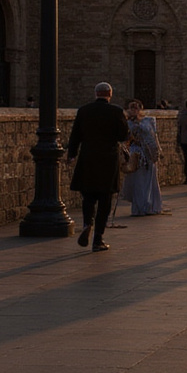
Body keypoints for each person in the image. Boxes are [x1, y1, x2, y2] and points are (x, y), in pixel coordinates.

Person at [66, 81, 129, 252]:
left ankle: (87, 224)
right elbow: (123, 135)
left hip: (88, 159)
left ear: (96, 94)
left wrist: (71, 154)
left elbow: (75, 136)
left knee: (88, 197)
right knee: (105, 200)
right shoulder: (116, 111)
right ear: (109, 94)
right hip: (108, 161)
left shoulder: (84, 111)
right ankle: (98, 239)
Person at [121, 99, 165, 215]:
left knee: (149, 180)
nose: (134, 110)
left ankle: (150, 206)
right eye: (131, 107)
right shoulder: (127, 123)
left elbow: (153, 136)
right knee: (138, 181)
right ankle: (140, 207)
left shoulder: (149, 121)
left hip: (149, 154)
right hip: (136, 154)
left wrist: (158, 151)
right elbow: (125, 138)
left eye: (136, 107)